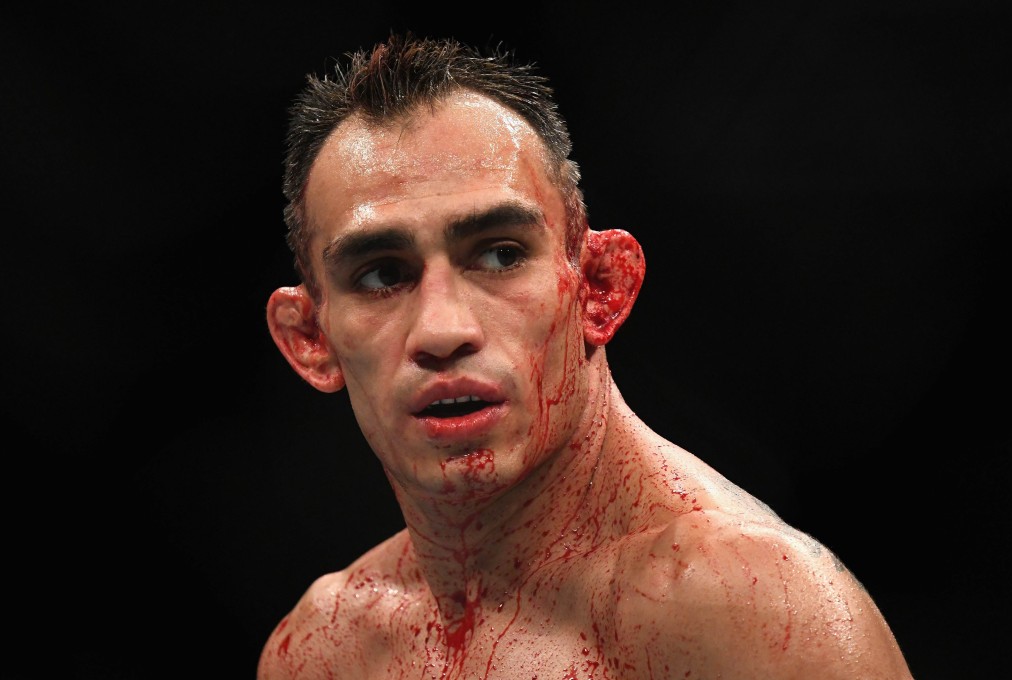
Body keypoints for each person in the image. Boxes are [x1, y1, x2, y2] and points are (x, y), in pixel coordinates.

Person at [258, 32, 914, 680]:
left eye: (499, 254)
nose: (442, 329)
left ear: (601, 288)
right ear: (309, 339)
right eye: (380, 274)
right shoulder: (327, 649)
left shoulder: (754, 611)